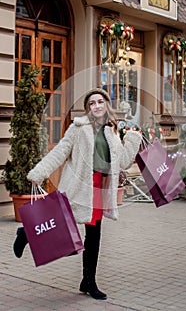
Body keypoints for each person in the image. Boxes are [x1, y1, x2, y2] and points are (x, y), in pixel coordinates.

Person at [13, 88, 142, 300]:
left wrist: (134, 140)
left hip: (99, 187)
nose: (97, 106)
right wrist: (40, 172)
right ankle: (25, 233)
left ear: (106, 105)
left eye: (100, 102)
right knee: (59, 221)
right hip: (79, 185)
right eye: (92, 103)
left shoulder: (112, 131)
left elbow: (122, 162)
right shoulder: (79, 128)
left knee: (94, 236)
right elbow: (60, 151)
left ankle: (89, 281)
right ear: (88, 108)